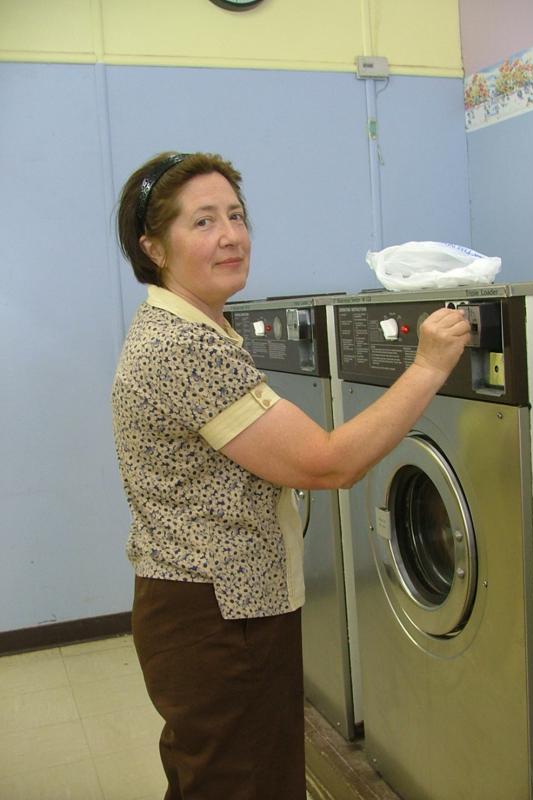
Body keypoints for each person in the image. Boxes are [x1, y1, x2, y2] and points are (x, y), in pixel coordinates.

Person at [112, 151, 470, 800]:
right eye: (203, 221)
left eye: (236, 215)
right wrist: (427, 367)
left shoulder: (192, 328)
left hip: (211, 603)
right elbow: (328, 462)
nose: (231, 235)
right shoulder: (185, 345)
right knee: (241, 783)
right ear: (153, 247)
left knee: (216, 778)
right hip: (219, 615)